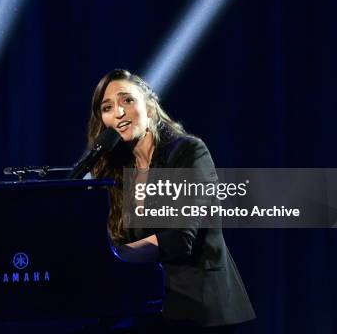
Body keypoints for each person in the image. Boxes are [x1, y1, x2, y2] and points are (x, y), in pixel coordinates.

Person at [87, 69, 255, 333]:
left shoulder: (188, 152)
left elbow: (179, 238)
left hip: (199, 311)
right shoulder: (119, 171)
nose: (118, 112)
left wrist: (114, 256)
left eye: (127, 100)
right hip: (151, 305)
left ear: (150, 108)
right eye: (107, 107)